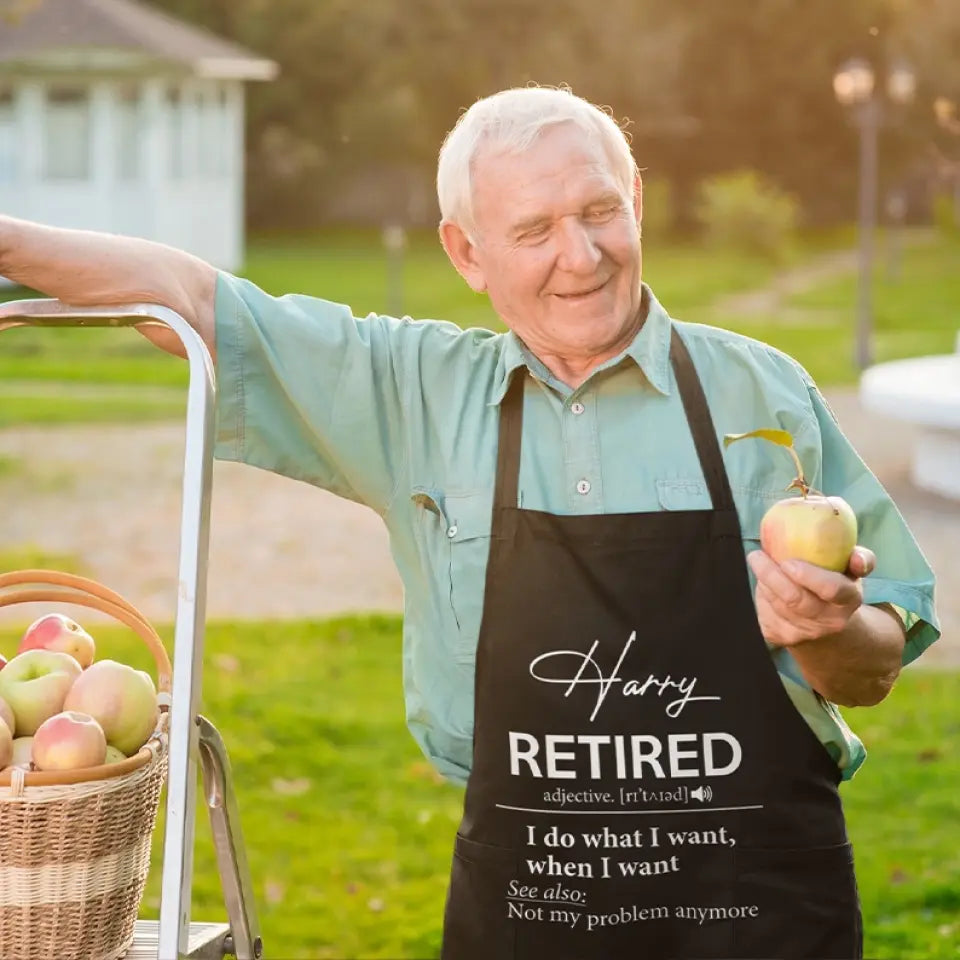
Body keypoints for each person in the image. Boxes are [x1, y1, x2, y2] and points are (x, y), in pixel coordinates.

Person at [0, 86, 940, 960]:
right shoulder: (411, 393)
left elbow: (874, 666)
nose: (581, 254)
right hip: (532, 905)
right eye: (533, 229)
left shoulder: (761, 393)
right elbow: (195, 300)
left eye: (599, 211)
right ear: (466, 252)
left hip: (756, 908)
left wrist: (824, 630)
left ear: (637, 203)